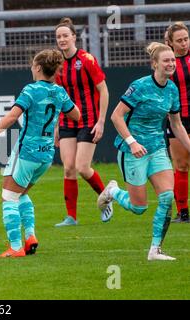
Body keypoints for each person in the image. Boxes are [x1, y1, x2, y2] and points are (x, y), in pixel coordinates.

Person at [0, 48, 80, 257]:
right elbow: (76, 115)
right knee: (21, 193)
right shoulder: (60, 92)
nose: (31, 68)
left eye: (33, 65)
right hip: (46, 154)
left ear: (39, 68)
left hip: (26, 152)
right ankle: (30, 236)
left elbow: (13, 116)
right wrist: (55, 125)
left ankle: (15, 247)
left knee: (8, 197)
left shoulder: (31, 90)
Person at [98, 42, 190, 261]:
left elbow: (176, 125)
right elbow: (116, 116)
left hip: (157, 148)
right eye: (166, 60)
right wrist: (132, 142)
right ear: (154, 64)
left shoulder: (172, 89)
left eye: (172, 61)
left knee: (167, 197)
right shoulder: (139, 86)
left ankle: (155, 250)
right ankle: (112, 191)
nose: (170, 64)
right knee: (139, 208)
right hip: (132, 150)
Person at [54, 17, 111, 226]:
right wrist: (56, 127)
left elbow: (103, 90)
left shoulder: (87, 59)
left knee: (82, 167)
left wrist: (101, 121)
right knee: (68, 168)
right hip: (67, 122)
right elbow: (59, 97)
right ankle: (71, 217)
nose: (62, 40)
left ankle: (106, 199)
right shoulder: (57, 65)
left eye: (65, 36)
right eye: (58, 36)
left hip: (89, 120)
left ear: (74, 37)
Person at [165, 22, 190, 223]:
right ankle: (183, 212)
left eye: (186, 39)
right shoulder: (166, 63)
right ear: (171, 43)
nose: (183, 43)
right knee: (181, 165)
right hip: (176, 119)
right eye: (179, 41)